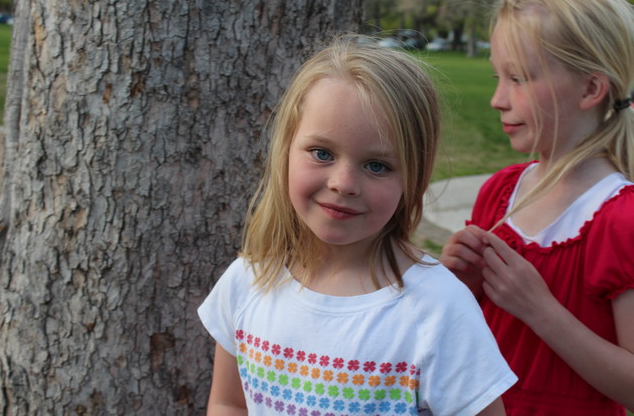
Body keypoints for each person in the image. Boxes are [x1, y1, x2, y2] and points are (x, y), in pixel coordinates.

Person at [198, 36, 517, 415]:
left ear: (412, 178)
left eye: (377, 165)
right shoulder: (247, 282)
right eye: (322, 154)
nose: (343, 183)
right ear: (285, 150)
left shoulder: (437, 310)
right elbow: (228, 402)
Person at [441, 0, 634, 415]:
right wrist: (461, 286)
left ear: (590, 88)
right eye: (498, 78)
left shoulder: (621, 220)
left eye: (519, 78)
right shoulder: (499, 192)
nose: (497, 100)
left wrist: (540, 310)